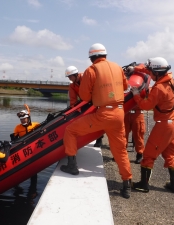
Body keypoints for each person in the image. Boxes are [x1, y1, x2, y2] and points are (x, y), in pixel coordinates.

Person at [60, 43, 132, 199]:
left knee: (70, 131)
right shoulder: (118, 67)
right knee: (120, 151)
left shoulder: (91, 70)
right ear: (105, 55)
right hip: (119, 113)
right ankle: (127, 184)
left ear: (92, 58)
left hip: (103, 114)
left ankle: (72, 165)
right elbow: (125, 87)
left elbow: (85, 97)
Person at [130, 57, 174, 193]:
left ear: (157, 73)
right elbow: (150, 70)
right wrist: (135, 68)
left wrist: (136, 95)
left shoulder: (158, 88)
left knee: (148, 155)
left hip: (163, 126)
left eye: (151, 72)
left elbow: (146, 105)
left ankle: (143, 185)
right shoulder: (170, 80)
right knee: (170, 155)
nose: (150, 75)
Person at [65, 65, 104, 148]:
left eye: (70, 77)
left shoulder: (86, 77)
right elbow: (73, 100)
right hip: (85, 102)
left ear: (75, 75)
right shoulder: (72, 86)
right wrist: (74, 111)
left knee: (98, 120)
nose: (69, 79)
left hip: (96, 100)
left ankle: (99, 138)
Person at [124, 66, 146, 164]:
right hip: (126, 114)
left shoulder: (143, 85)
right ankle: (121, 155)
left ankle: (140, 154)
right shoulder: (124, 83)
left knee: (138, 136)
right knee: (122, 136)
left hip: (137, 114)